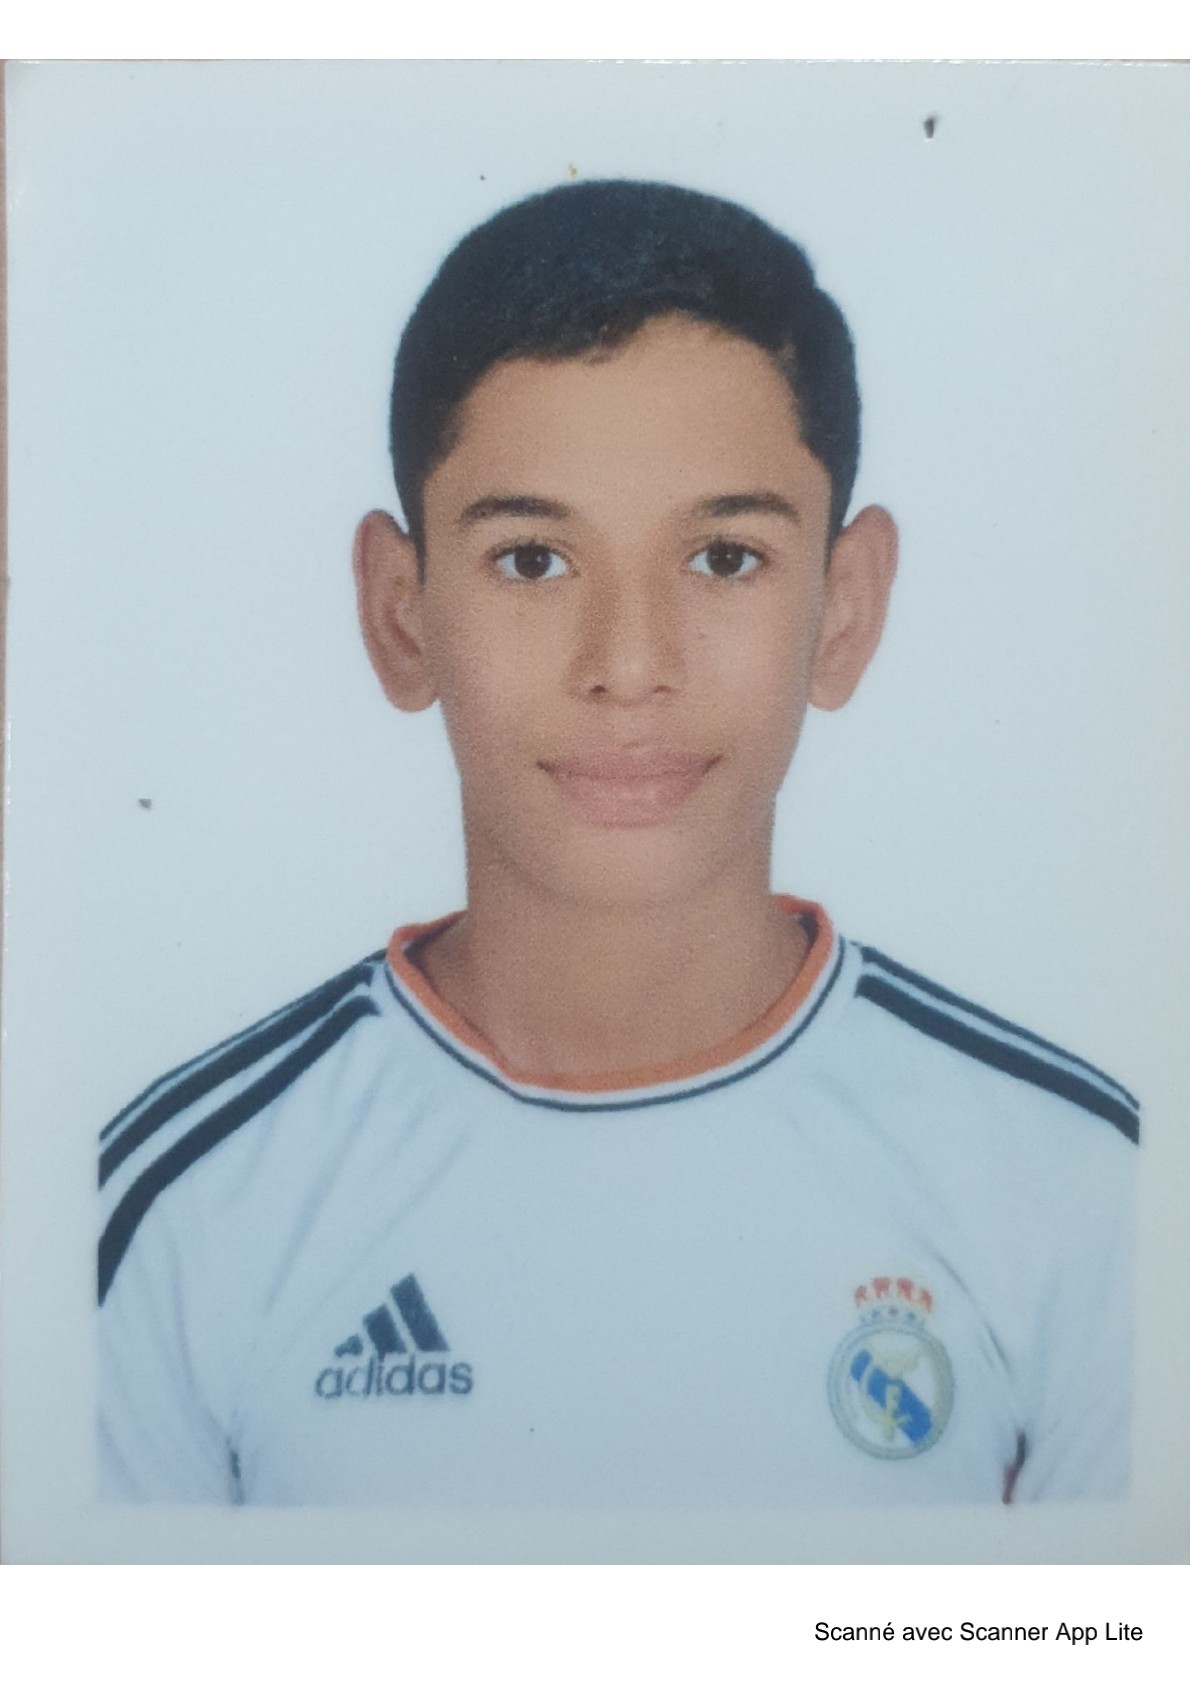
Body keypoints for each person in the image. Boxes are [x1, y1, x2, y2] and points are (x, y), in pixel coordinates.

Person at [98, 180, 1138, 1507]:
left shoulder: (1086, 1201)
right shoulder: (181, 1219)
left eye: (725, 559)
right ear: (402, 613)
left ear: (843, 608)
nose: (631, 664)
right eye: (533, 561)